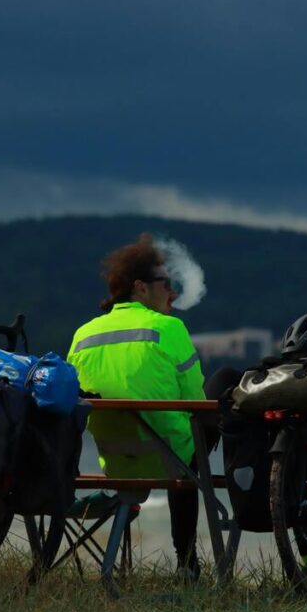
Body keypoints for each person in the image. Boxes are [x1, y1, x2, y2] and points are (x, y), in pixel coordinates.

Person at [67, 234, 206, 578]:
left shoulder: (83, 334)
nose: (172, 292)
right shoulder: (168, 328)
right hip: (168, 460)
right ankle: (187, 562)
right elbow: (197, 402)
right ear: (141, 288)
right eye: (166, 284)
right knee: (199, 434)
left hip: (114, 460)